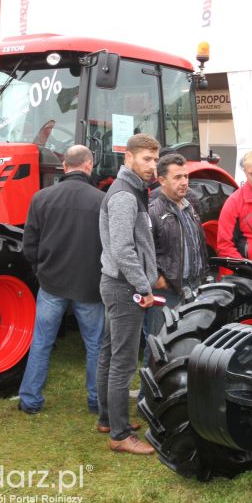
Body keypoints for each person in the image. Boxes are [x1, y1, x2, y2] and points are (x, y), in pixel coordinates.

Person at [18, 145, 105, 415]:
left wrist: (41, 271)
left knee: (42, 341)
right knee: (96, 346)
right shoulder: (102, 200)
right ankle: (96, 401)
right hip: (89, 285)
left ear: (64, 166)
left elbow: (29, 244)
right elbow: (109, 248)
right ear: (89, 165)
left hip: (51, 283)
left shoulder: (41, 198)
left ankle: (30, 400)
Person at [97, 133, 160, 455]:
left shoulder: (133, 191)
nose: (152, 165)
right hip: (124, 287)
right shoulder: (125, 196)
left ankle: (109, 418)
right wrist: (144, 287)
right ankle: (120, 434)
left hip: (119, 283)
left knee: (110, 354)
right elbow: (123, 249)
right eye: (146, 159)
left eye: (154, 159)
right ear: (129, 158)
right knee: (122, 361)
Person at [139, 153, 208, 398]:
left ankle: (178, 392)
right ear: (161, 180)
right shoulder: (152, 210)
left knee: (187, 341)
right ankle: (147, 397)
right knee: (157, 343)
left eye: (186, 176)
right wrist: (158, 279)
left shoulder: (190, 204)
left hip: (192, 287)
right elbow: (143, 251)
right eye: (177, 177)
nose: (184, 182)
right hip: (165, 291)